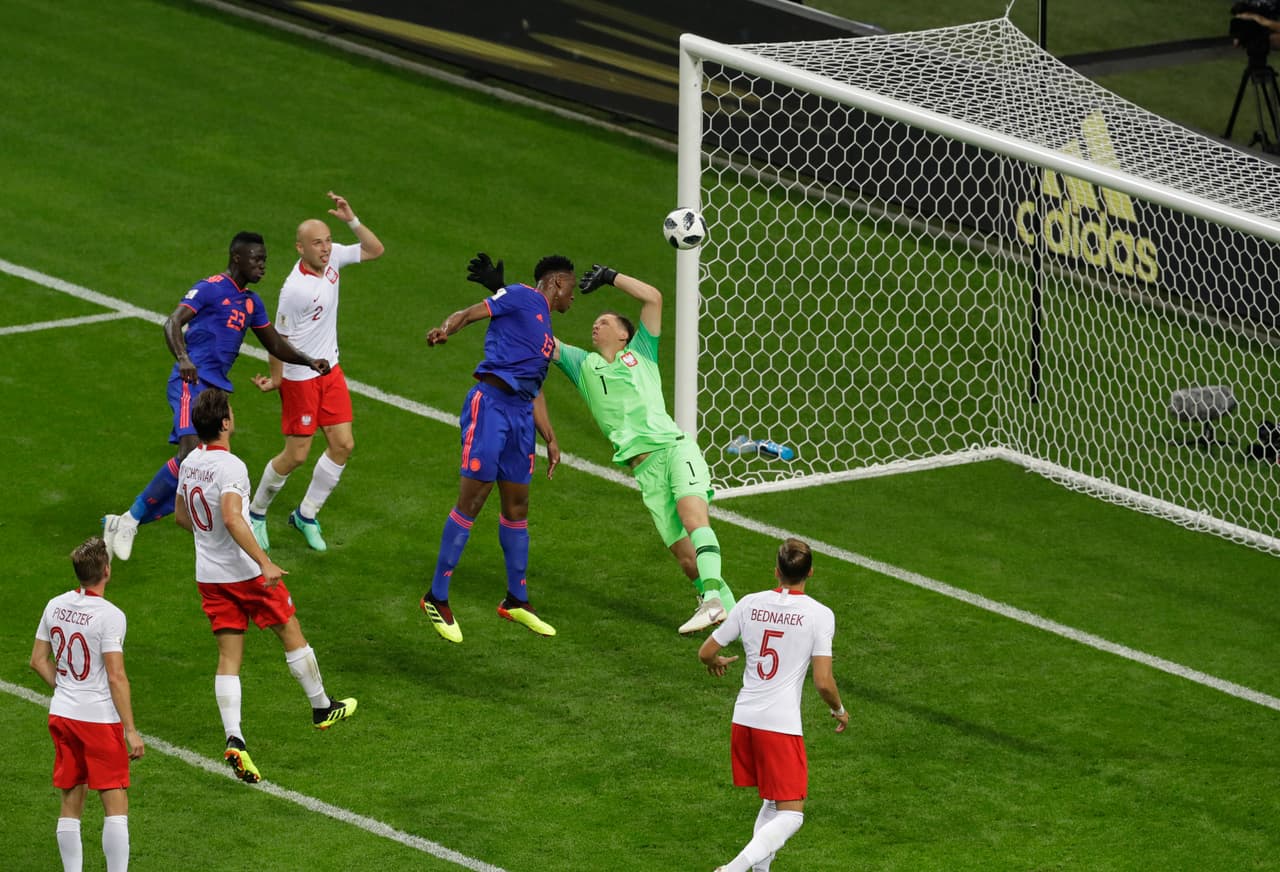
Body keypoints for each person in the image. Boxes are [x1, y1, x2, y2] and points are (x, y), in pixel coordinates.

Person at [102, 232, 330, 562]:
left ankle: (126, 520)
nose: (263, 266)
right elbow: (172, 322)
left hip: (216, 392)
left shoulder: (252, 302)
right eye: (257, 259)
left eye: (265, 260)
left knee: (204, 464)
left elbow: (274, 344)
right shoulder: (210, 288)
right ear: (237, 258)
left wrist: (308, 361)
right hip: (189, 383)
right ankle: (132, 520)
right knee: (191, 453)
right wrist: (183, 358)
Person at [175, 387, 355, 784]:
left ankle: (235, 738)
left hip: (208, 575)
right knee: (290, 629)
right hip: (244, 573)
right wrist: (264, 562)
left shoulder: (189, 462)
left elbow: (181, 517)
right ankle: (321, 707)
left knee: (229, 657)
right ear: (224, 423)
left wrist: (209, 541)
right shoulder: (232, 467)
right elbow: (234, 518)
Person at [548, 263, 737, 634]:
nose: (596, 325)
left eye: (605, 321)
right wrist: (503, 294)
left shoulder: (642, 353)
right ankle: (731, 624)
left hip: (673, 449)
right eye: (595, 323)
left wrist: (609, 277)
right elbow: (542, 340)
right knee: (686, 560)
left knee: (692, 516)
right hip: (645, 472)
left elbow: (653, 297)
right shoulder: (583, 366)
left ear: (623, 335)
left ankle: (712, 599)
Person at [419, 253, 576, 643]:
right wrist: (445, 330)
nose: (573, 297)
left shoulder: (543, 328)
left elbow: (534, 386)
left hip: (521, 417)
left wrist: (550, 437)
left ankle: (516, 600)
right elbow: (472, 312)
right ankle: (436, 596)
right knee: (473, 500)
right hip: (490, 408)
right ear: (557, 283)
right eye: (571, 289)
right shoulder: (523, 296)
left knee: (518, 506)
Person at [699, 538, 848, 872]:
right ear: (810, 572)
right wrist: (839, 710)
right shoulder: (819, 615)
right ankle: (733, 869)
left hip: (744, 719)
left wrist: (716, 661)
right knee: (792, 814)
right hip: (779, 726)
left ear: (776, 571)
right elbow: (823, 682)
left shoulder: (750, 604)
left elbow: (706, 651)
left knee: (772, 801)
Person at [248, 192, 385, 553]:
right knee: (296, 456)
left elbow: (375, 250)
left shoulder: (334, 257)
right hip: (299, 377)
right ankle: (257, 512)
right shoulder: (294, 291)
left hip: (331, 370)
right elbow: (276, 338)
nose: (325, 248)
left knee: (343, 445)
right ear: (299, 248)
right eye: (317, 243)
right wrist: (277, 378)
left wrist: (351, 219)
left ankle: (305, 515)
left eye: (327, 240)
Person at [30, 537, 144, 872]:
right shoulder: (110, 616)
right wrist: (131, 731)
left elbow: (38, 660)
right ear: (106, 571)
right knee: (115, 804)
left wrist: (67, 688)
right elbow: (116, 676)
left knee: (70, 801)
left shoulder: (54, 605)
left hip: (63, 715)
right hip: (97, 720)